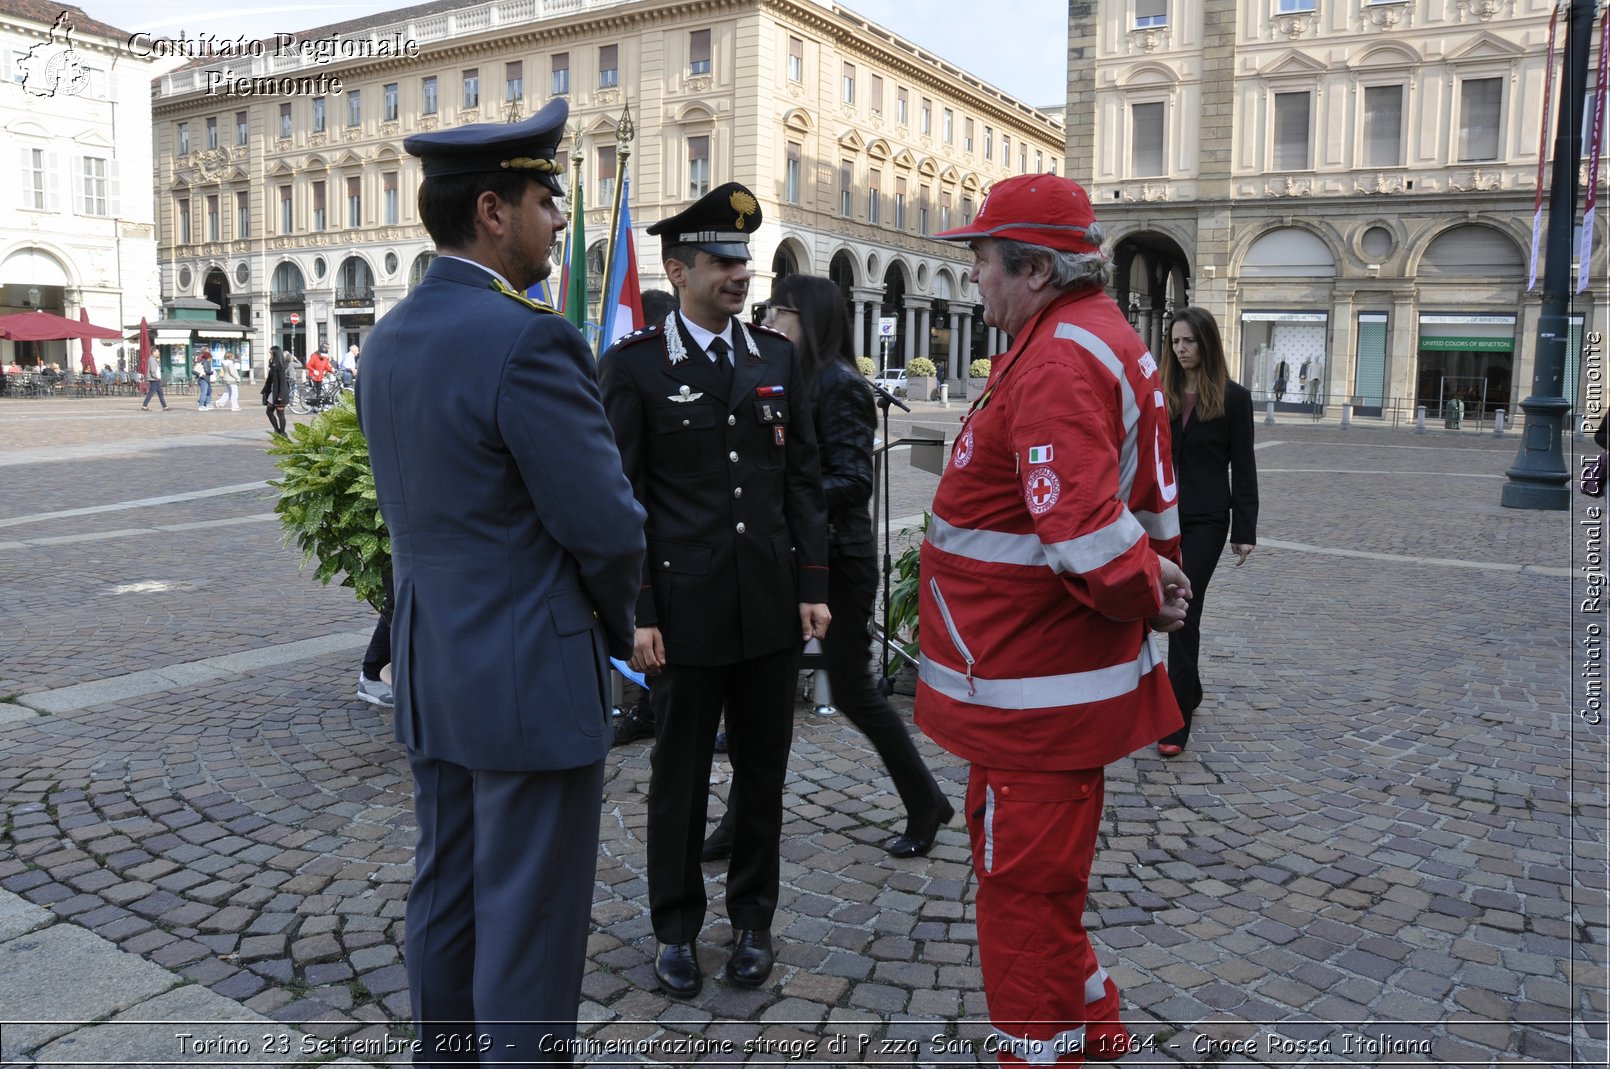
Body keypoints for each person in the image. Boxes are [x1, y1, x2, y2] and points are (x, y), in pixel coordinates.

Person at [355, 98, 646, 1065]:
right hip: (529, 669)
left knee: (448, 892)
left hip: (435, 665)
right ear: (493, 211)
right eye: (546, 199)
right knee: (529, 915)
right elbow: (605, 524)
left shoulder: (388, 337)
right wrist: (617, 625)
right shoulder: (530, 339)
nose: (559, 220)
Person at [920, 174, 1192, 1065]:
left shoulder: (1058, 357)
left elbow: (1078, 531)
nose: (975, 280)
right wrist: (1155, 579)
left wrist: (1149, 588)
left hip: (1033, 689)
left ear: (1034, 268)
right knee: (1037, 890)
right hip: (1036, 681)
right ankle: (1097, 1027)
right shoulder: (1078, 339)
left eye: (984, 261)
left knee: (1022, 899)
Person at [599, 182, 830, 999]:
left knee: (763, 773)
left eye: (743, 260)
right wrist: (639, 613)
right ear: (678, 268)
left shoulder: (774, 359)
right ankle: (674, 928)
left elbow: (800, 479)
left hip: (767, 604)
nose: (739, 274)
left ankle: (754, 923)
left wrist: (812, 584)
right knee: (681, 778)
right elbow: (622, 500)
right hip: (684, 610)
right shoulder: (634, 367)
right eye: (722, 261)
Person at [704, 275, 952, 864]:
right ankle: (740, 822)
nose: (766, 318)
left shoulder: (839, 383)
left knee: (854, 691)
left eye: (776, 310)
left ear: (804, 317)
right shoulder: (792, 375)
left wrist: (781, 492)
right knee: (762, 694)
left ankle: (923, 800)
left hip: (838, 560)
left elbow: (853, 480)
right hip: (795, 557)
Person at [1157, 307, 1258, 757]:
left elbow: (1244, 465)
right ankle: (1189, 689)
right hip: (1161, 518)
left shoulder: (1234, 398)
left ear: (1207, 343)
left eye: (1189, 342)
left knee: (1183, 607)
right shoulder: (1160, 393)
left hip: (1207, 519)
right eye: (1175, 342)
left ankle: (1175, 719)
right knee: (1156, 605)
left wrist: (1245, 528)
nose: (1181, 349)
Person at [261, 345, 290, 436]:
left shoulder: (280, 366)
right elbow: (269, 380)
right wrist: (265, 389)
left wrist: (281, 395)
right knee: (269, 412)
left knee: (280, 414)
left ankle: (282, 432)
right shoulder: (273, 365)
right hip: (273, 393)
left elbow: (283, 382)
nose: (270, 355)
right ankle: (277, 430)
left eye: (271, 353)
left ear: (275, 353)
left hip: (280, 393)